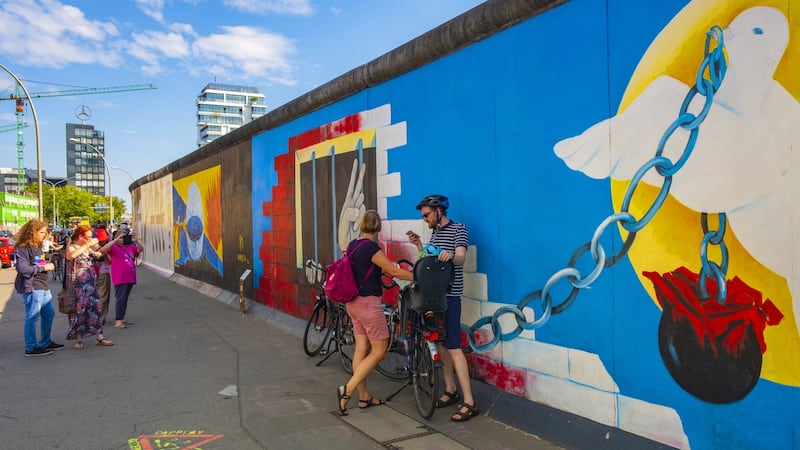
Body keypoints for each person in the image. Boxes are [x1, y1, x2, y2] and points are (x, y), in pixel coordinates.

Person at [336, 210, 414, 416]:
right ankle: (348, 389)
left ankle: (364, 397)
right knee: (380, 350)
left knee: (361, 348)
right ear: (378, 227)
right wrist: (417, 277)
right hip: (368, 305)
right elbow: (393, 271)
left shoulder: (353, 245)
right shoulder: (371, 247)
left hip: (352, 304)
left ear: (362, 225)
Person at [408, 194, 478, 422]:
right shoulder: (435, 233)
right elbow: (429, 258)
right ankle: (450, 390)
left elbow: (460, 259)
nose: (425, 219)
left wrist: (448, 256)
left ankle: (469, 401)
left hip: (450, 296)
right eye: (423, 216)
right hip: (434, 296)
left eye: (427, 215)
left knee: (454, 346)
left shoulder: (459, 229)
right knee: (441, 344)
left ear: (439, 212)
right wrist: (420, 245)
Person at [13, 219, 64, 356]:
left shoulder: (37, 247)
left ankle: (45, 341)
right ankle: (31, 347)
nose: (44, 235)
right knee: (32, 316)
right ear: (32, 232)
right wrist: (43, 267)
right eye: (41, 232)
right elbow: (22, 269)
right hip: (33, 286)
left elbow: (37, 262)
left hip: (43, 285)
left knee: (49, 313)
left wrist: (46, 264)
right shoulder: (23, 248)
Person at [65, 225, 113, 349]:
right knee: (79, 311)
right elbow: (72, 256)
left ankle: (99, 336)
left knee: (95, 310)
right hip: (77, 286)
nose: (91, 239)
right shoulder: (72, 247)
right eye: (88, 237)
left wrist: (99, 252)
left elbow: (99, 256)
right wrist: (87, 245)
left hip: (91, 283)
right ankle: (78, 339)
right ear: (80, 236)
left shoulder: (87, 249)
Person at [101, 224, 143, 329]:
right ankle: (118, 320)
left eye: (125, 236)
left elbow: (140, 250)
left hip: (130, 276)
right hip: (120, 277)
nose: (124, 239)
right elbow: (103, 250)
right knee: (121, 298)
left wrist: (136, 240)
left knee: (125, 298)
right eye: (122, 237)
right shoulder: (113, 247)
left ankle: (122, 317)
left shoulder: (131, 246)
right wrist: (115, 241)